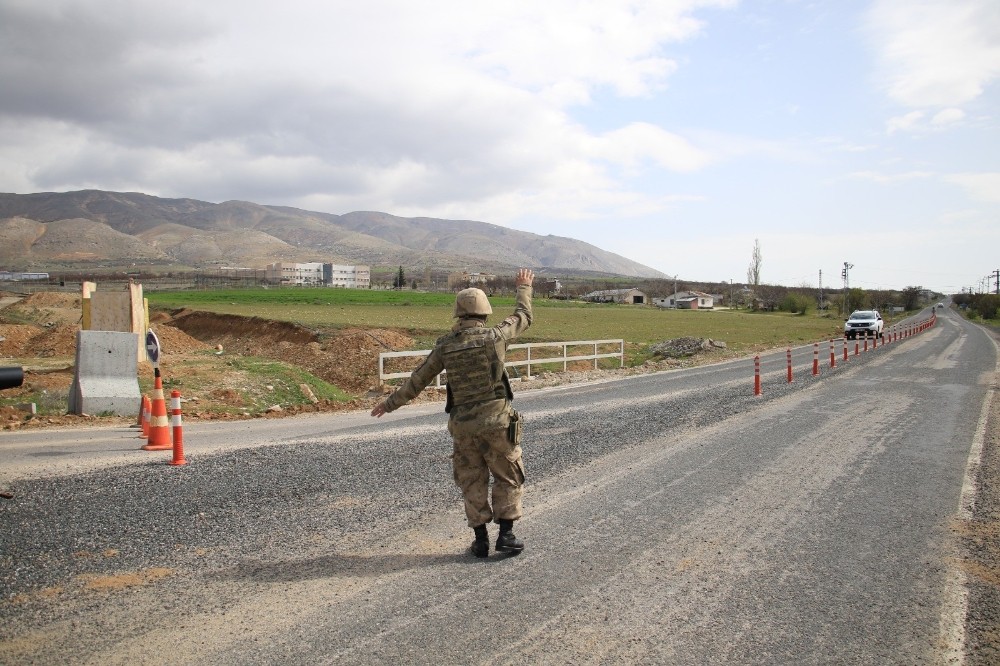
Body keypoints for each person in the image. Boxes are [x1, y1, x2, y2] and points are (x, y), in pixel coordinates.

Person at [371, 268, 534, 558]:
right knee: (508, 476)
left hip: (463, 428)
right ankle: (506, 535)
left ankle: (481, 539)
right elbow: (523, 316)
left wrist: (389, 403)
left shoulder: (446, 347)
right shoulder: (495, 337)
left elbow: (417, 381)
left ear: (458, 313)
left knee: (472, 479)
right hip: (497, 422)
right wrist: (523, 287)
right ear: (485, 312)